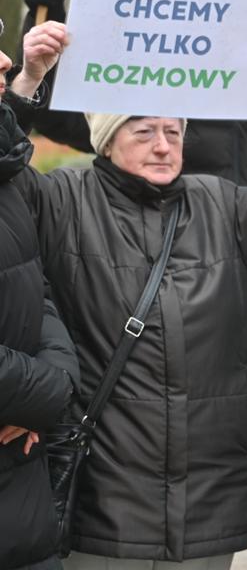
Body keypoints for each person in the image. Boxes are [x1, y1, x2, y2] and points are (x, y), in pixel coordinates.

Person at [2, 21, 247, 567]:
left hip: (208, 501)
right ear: (106, 140)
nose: (162, 146)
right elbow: (2, 180)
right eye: (142, 132)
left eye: (173, 132)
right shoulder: (61, 198)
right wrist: (27, 85)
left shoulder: (220, 202)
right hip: (104, 502)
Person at [19, 0, 247, 435]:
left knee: (231, 456)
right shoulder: (150, 88)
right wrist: (47, 16)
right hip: (151, 311)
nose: (163, 145)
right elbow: (63, 109)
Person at [0, 49, 79, 570]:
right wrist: (40, 393)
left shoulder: (11, 173)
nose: (6, 59)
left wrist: (46, 390)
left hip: (18, 476)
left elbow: (40, 292)